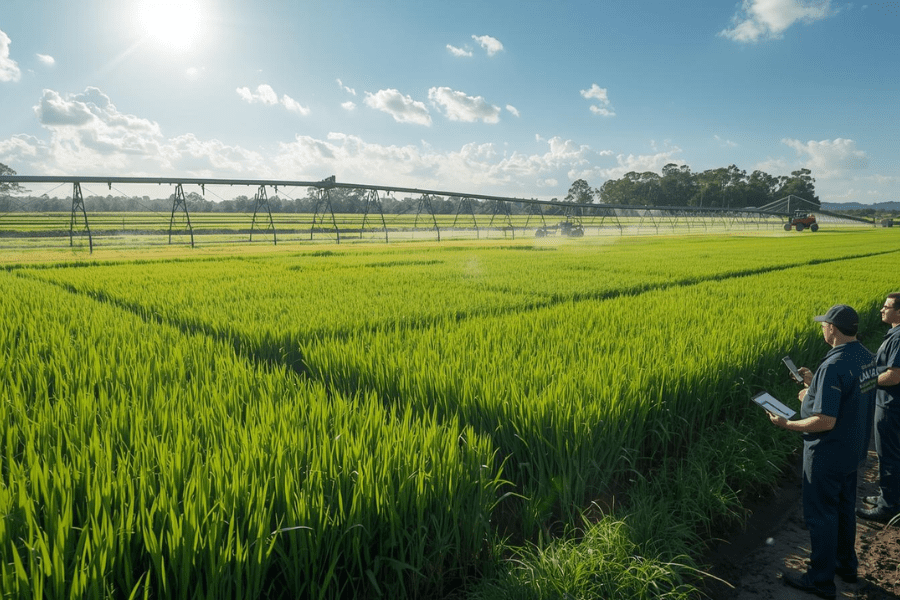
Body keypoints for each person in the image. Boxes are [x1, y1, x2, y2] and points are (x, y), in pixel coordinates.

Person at [768, 304, 877, 599]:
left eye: (824, 324)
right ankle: (846, 566)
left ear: (834, 329)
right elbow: (849, 395)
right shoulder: (866, 357)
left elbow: (825, 420)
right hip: (853, 450)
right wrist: (814, 384)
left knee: (822, 516)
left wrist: (787, 424)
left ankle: (820, 580)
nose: (822, 328)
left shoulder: (834, 366)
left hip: (827, 454)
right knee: (844, 510)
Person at [858, 292, 900, 522]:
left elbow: (894, 376)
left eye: (887, 307)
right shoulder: (895, 334)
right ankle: (890, 496)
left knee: (889, 455)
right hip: (890, 404)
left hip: (891, 406)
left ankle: (888, 507)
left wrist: (867, 382)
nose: (882, 310)